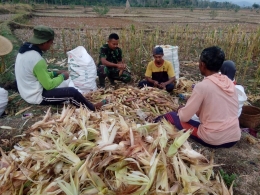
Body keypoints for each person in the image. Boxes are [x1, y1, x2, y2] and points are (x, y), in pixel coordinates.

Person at [155, 46, 241, 148]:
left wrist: (181, 110)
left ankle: (151, 122)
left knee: (171, 116)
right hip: (234, 137)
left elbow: (184, 117)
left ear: (202, 64)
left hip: (214, 139)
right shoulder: (229, 82)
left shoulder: (202, 86)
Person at [15, 25, 106, 111]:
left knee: (65, 83)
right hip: (37, 96)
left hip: (26, 91)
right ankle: (92, 107)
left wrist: (56, 73)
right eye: (50, 43)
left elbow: (38, 74)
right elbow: (48, 85)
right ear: (44, 43)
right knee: (72, 92)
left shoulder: (24, 51)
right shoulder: (37, 60)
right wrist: (62, 76)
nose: (50, 46)